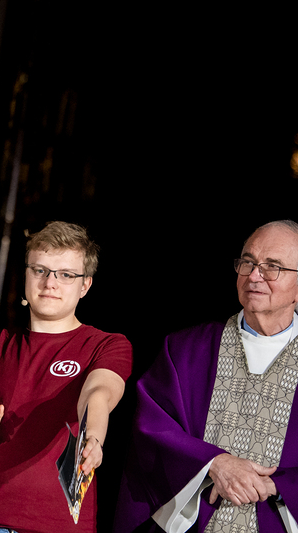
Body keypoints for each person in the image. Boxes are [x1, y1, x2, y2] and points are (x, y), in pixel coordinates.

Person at [0, 221, 132, 533]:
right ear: (26, 274)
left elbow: (98, 394)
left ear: (85, 285)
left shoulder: (106, 345)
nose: (50, 283)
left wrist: (92, 437)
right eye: (40, 270)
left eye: (65, 275)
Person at [115, 220, 298, 533]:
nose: (254, 276)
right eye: (247, 262)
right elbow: (152, 428)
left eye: (272, 267)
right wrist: (213, 463)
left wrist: (281, 485)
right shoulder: (185, 350)